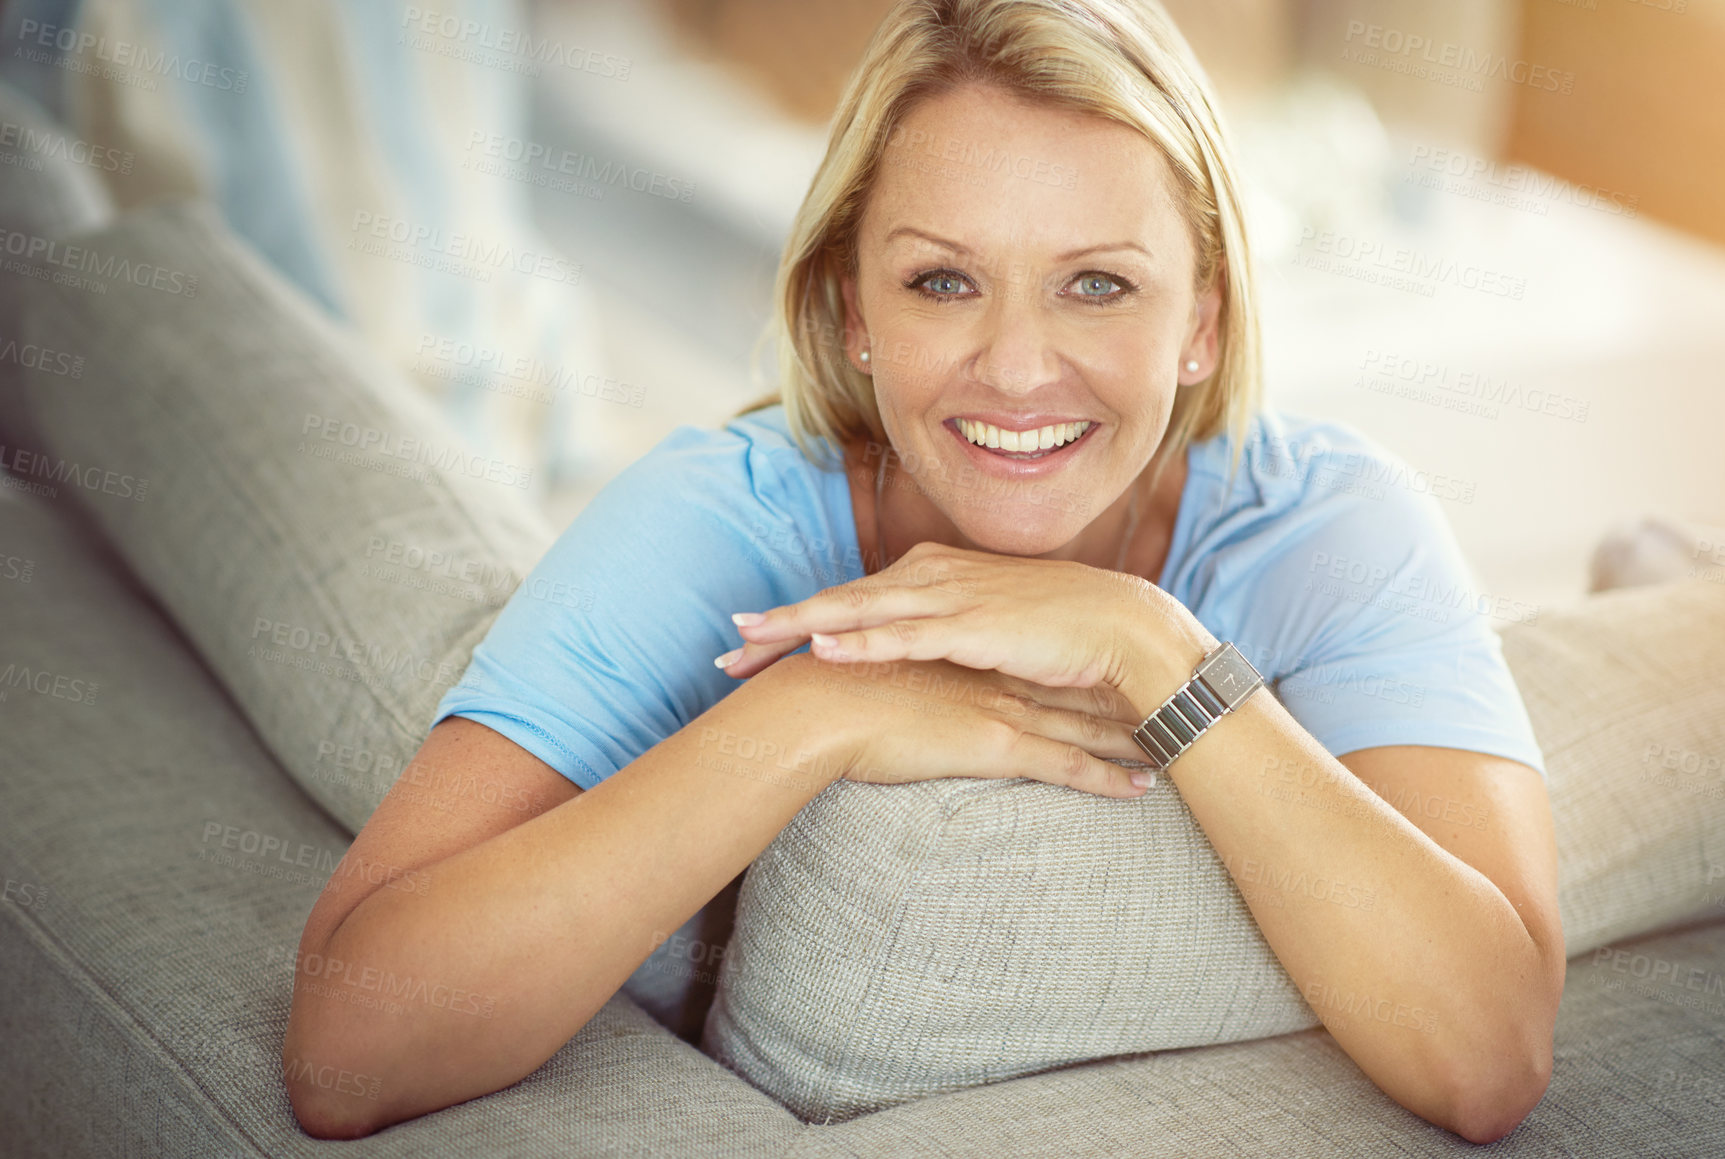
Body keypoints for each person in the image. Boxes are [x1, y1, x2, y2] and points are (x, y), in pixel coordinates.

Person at [283, 0, 1563, 1144]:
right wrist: (817, 709)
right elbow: (347, 1054)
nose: (1015, 369)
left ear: (1204, 322)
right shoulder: (712, 522)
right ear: (852, 309)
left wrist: (1150, 647)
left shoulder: (1330, 530)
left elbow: (1488, 1054)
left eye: (1099, 286)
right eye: (943, 280)